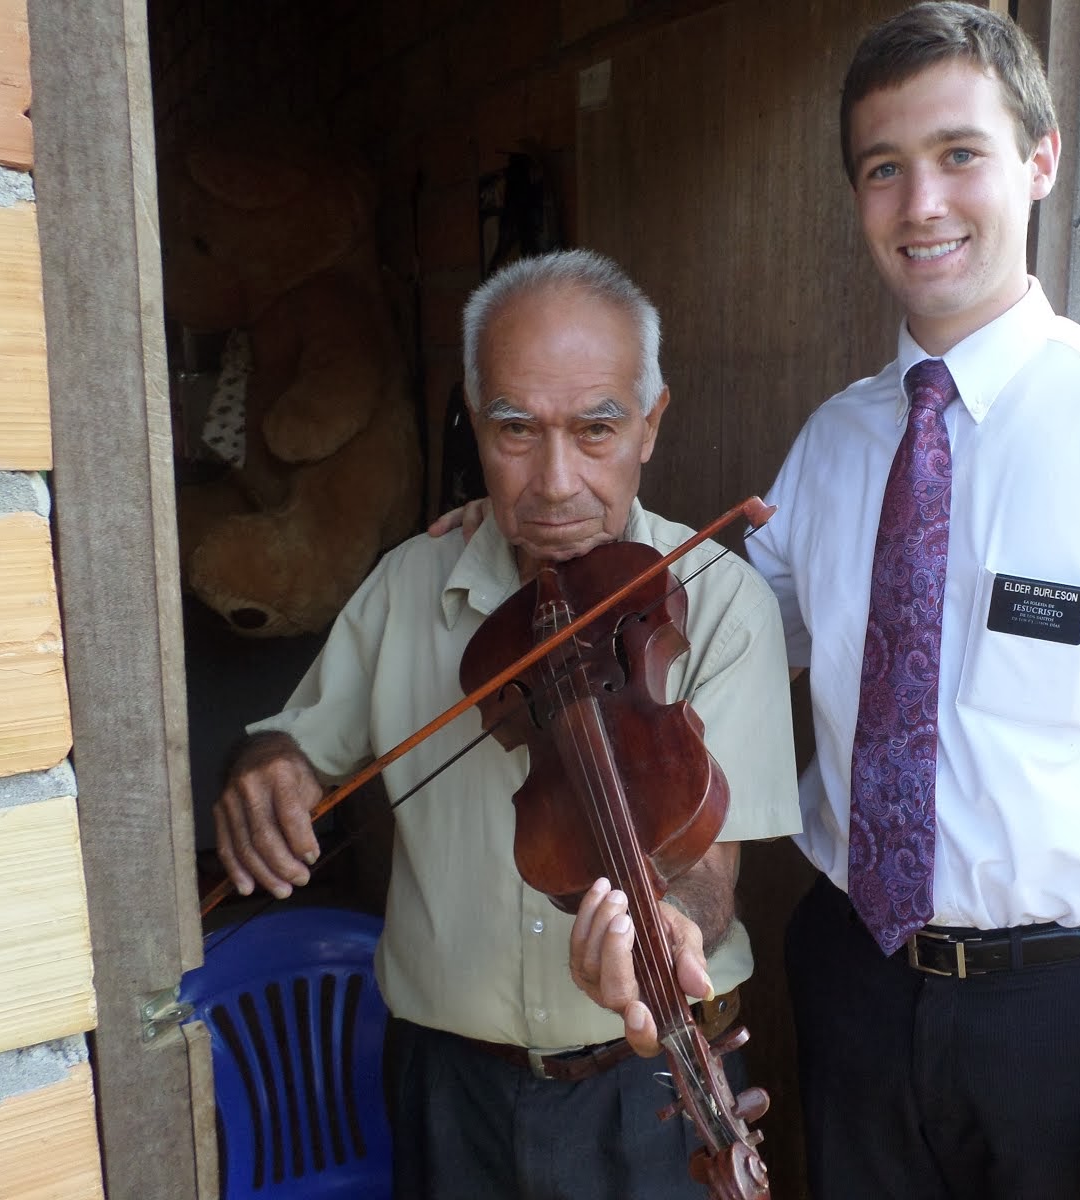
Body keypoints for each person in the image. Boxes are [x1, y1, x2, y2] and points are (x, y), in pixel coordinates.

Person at [570, 5, 1080, 1199]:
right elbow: (714, 641)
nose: (921, 203)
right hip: (854, 980)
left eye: (958, 153)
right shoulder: (833, 441)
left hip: (1062, 1016)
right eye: (883, 168)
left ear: (1039, 159)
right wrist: (558, 533)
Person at [212, 248, 802, 1200]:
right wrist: (267, 765)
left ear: (651, 423)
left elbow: (705, 866)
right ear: (475, 424)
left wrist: (664, 927)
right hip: (449, 1092)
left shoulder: (718, 602)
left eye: (597, 429)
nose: (557, 482)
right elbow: (297, 744)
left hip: (645, 1091)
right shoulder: (409, 584)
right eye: (516, 430)